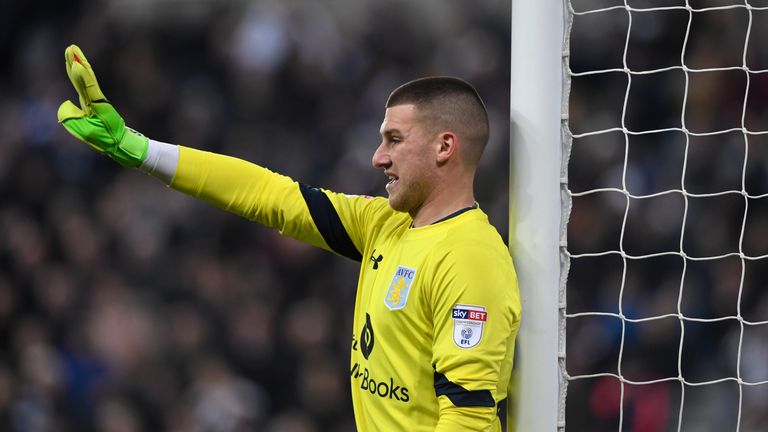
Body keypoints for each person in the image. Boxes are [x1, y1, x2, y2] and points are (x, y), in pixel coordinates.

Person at [57, 44, 521, 431]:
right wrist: (140, 150)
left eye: (394, 140)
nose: (378, 157)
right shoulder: (385, 225)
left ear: (445, 146)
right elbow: (267, 194)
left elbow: (468, 420)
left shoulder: (469, 259)